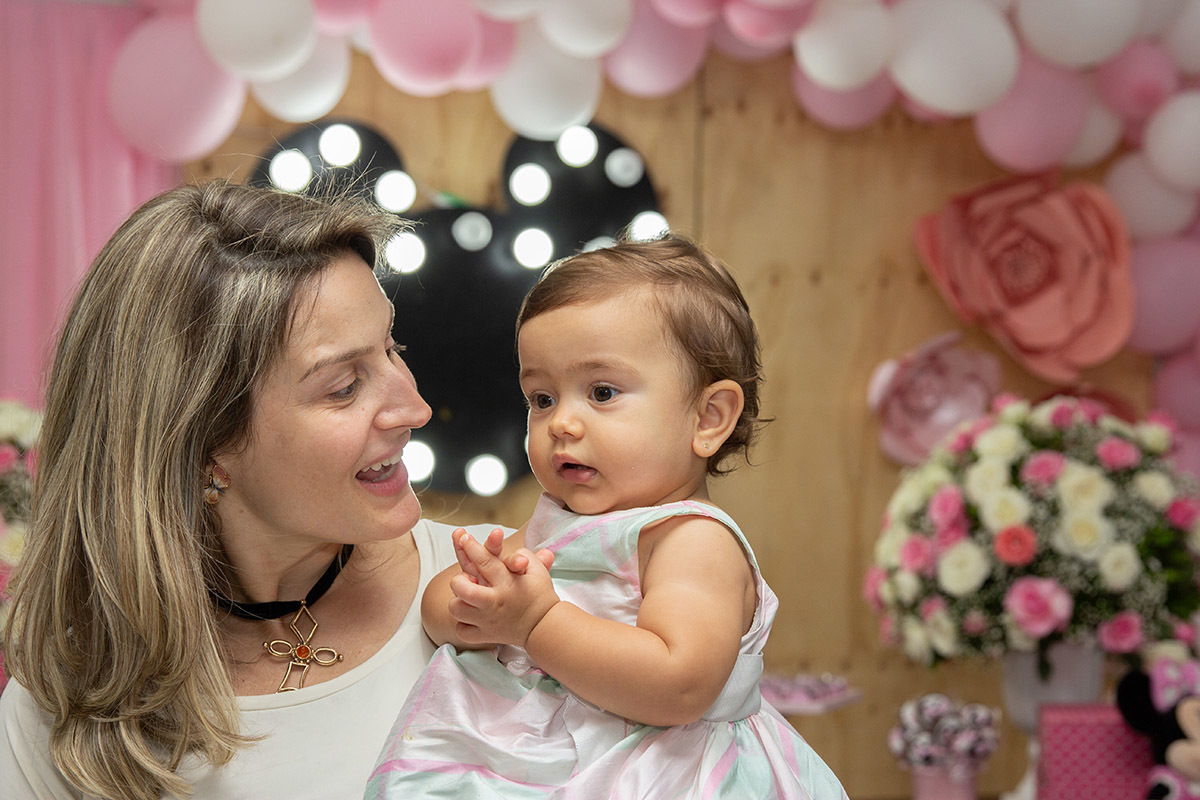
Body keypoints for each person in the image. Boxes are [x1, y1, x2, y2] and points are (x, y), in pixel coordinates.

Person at [0, 181, 531, 800]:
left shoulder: (503, 605)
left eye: (393, 347)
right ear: (204, 441)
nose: (414, 407)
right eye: (342, 387)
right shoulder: (64, 707)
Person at [368, 236, 848, 798]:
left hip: (673, 773)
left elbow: (679, 684)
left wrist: (534, 625)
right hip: (566, 758)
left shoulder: (692, 541)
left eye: (601, 392)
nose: (561, 423)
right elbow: (444, 608)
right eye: (542, 398)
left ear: (708, 417)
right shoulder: (559, 520)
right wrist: (474, 602)